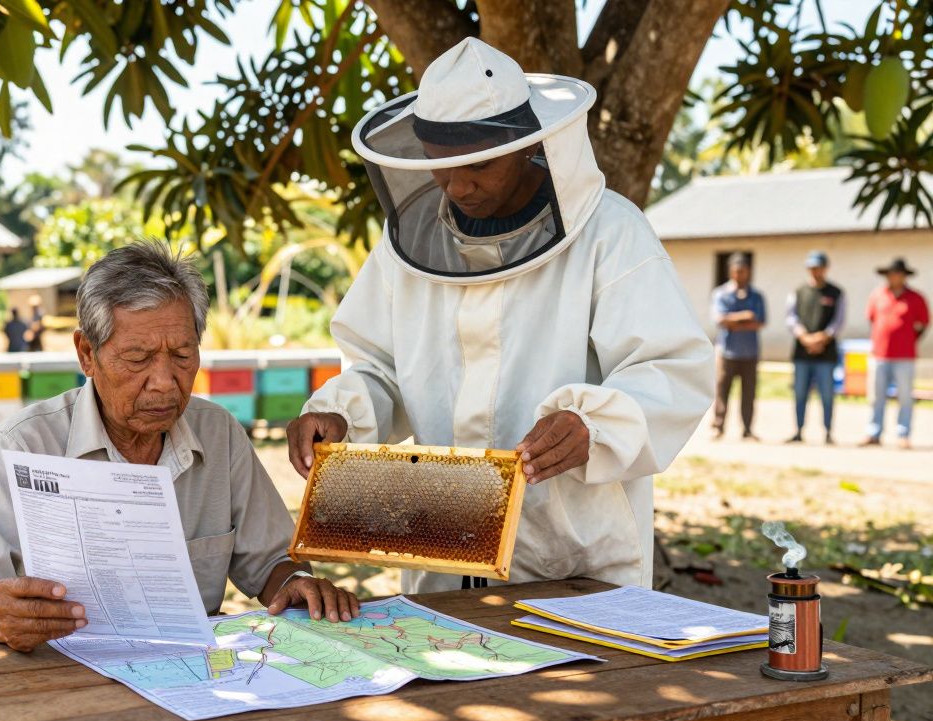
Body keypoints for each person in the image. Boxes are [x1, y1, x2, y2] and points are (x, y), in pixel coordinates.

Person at [285, 38, 714, 594]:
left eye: (480, 164)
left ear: (527, 145)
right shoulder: (408, 245)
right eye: (439, 166)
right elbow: (380, 368)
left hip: (569, 553)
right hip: (441, 536)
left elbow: (670, 367)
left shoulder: (610, 231)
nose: (459, 186)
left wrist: (595, 426)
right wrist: (339, 415)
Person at [0, 242, 360, 652]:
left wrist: (295, 584)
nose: (164, 380)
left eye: (181, 354)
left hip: (190, 676)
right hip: (60, 676)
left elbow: (271, 563)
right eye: (137, 358)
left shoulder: (218, 433)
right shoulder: (21, 447)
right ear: (87, 353)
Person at [865, 257, 928, 449]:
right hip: (880, 354)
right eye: (891, 274)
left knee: (905, 396)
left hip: (904, 356)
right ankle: (874, 432)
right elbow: (871, 319)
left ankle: (903, 433)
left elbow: (923, 324)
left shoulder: (915, 298)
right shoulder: (877, 295)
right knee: (876, 396)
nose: (894, 277)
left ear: (904, 276)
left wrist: (908, 339)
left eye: (898, 274)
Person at [785, 250, 844, 444]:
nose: (815, 271)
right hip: (803, 352)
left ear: (825, 269)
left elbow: (838, 321)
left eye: (818, 267)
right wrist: (805, 337)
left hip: (826, 353)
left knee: (827, 394)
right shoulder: (798, 291)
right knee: (800, 393)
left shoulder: (836, 293)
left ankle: (828, 432)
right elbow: (791, 317)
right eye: (811, 268)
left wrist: (822, 337)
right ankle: (798, 430)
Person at [709, 254, 766, 440]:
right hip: (727, 351)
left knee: (749, 393)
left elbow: (760, 322)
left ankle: (748, 429)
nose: (738, 275)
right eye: (735, 271)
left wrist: (733, 321)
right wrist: (745, 316)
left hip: (750, 352)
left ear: (747, 272)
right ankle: (718, 426)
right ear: (730, 272)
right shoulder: (721, 294)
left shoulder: (756, 296)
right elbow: (720, 320)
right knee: (722, 391)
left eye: (742, 271)